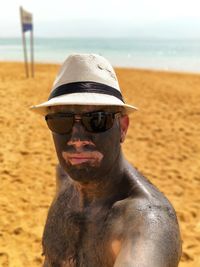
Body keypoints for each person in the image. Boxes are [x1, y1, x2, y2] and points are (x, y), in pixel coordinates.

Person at [31, 53, 182, 267]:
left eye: (97, 120)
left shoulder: (145, 223)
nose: (77, 140)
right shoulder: (65, 179)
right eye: (61, 121)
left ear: (123, 127)